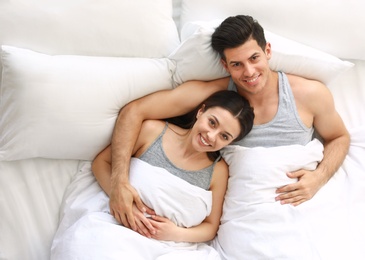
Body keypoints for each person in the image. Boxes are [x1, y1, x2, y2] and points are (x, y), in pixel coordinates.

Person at [109, 15, 350, 233]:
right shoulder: (211, 95)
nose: (249, 72)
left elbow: (339, 137)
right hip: (242, 218)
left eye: (254, 58)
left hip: (297, 208)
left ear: (267, 51)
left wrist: (319, 177)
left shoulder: (310, 94)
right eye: (237, 64)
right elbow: (134, 111)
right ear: (225, 65)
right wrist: (118, 182)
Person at [92, 90, 254, 241]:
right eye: (212, 122)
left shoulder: (218, 171)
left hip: (170, 246)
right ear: (200, 111)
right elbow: (101, 163)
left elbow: (211, 227)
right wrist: (121, 199)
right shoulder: (152, 131)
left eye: (224, 136)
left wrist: (175, 233)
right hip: (115, 227)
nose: (211, 136)